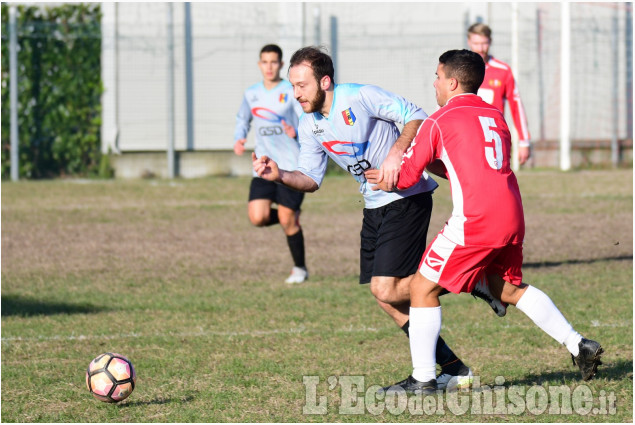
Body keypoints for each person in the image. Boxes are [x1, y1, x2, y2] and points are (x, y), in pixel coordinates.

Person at [253, 46, 504, 391]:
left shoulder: (360, 96)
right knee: (386, 296)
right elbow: (311, 179)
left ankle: (468, 279)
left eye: (301, 85)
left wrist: (396, 154)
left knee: (385, 287)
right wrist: (279, 174)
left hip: (406, 196)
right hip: (373, 205)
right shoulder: (309, 124)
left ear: (325, 82)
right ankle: (453, 366)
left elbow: (417, 115)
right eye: (293, 87)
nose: (295, 94)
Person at [370, 49, 603, 394]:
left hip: (475, 220)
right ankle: (577, 344)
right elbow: (467, 165)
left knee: (422, 288)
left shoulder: (439, 120)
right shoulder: (494, 115)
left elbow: (405, 178)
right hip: (512, 215)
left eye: (437, 76)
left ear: (451, 81)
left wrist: (386, 174)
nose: (433, 83)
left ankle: (423, 379)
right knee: (505, 289)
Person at [234, 44, 308, 284]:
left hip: (290, 166)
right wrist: (240, 137)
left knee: (287, 220)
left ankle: (299, 268)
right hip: (264, 165)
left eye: (273, 62)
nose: (269, 67)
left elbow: (306, 119)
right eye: (265, 62)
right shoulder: (251, 93)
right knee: (257, 217)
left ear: (281, 64)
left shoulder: (291, 91)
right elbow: (242, 118)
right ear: (259, 64)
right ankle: (291, 216)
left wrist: (294, 129)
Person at [467, 23, 532, 165]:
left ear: (490, 42)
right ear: (469, 42)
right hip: (467, 138)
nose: (480, 48)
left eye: (484, 43)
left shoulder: (502, 71)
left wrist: (524, 141)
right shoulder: (461, 69)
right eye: (476, 43)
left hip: (495, 138)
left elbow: (517, 107)